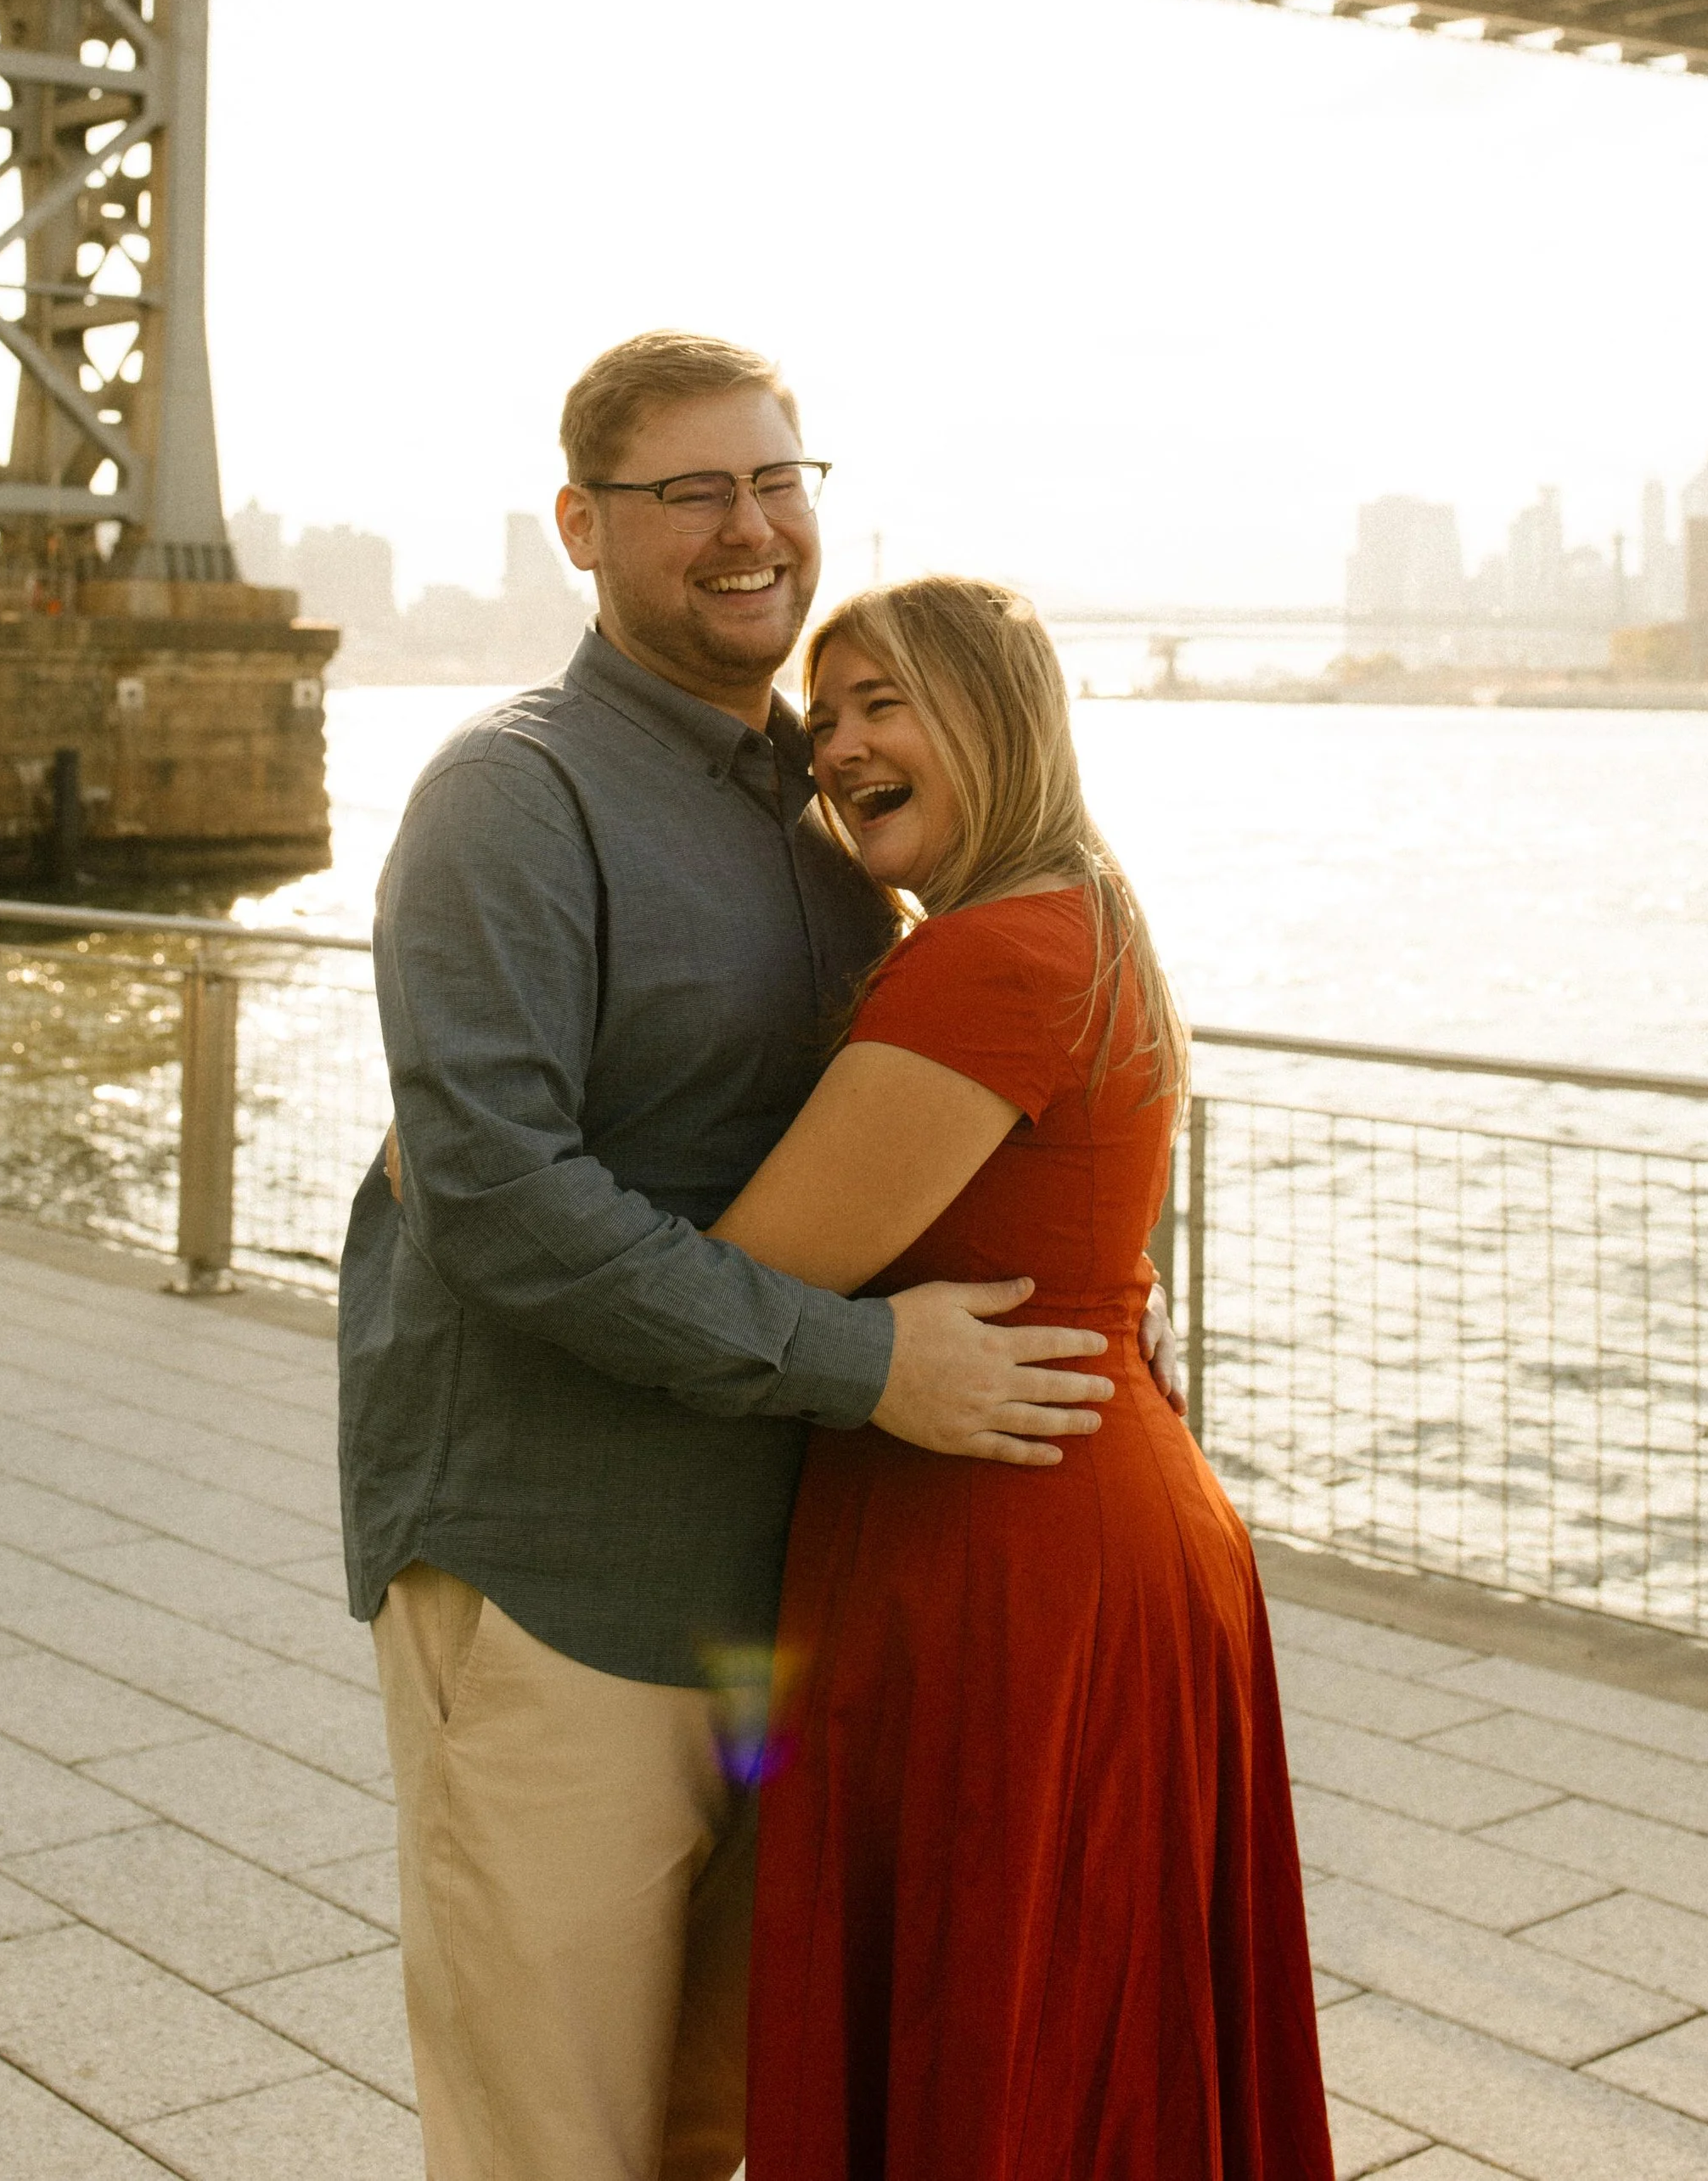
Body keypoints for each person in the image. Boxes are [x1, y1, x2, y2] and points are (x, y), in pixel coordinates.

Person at [340, 331, 1177, 2181]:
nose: (750, 528)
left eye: (778, 479)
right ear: (581, 526)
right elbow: (491, 1202)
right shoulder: (512, 793)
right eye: (690, 492)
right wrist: (873, 1367)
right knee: (555, 2134)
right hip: (563, 1569)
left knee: (726, 2120)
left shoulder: (827, 822)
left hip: (794, 1598)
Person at [713, 575, 1334, 2180]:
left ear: (994, 720)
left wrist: (493, 1155)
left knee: (1001, 2042)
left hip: (1002, 1552)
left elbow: (754, 1284)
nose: (836, 746)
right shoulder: (1089, 918)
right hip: (1102, 1519)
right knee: (1090, 2041)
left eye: (881, 704)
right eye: (822, 715)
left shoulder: (995, 954)